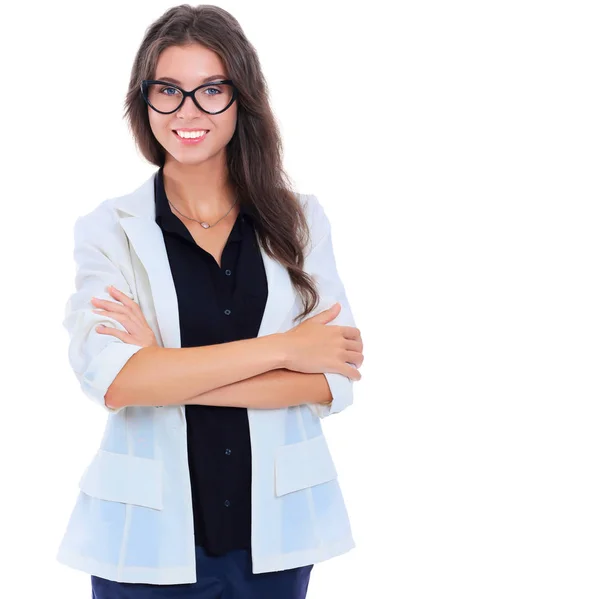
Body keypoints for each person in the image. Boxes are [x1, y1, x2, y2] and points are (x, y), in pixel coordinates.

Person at [56, 4, 363, 598]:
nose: (187, 111)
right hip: (145, 543)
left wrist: (166, 371)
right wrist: (284, 350)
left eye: (210, 90)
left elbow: (334, 379)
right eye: (168, 89)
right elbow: (116, 383)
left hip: (274, 537)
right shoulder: (108, 229)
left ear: (241, 98)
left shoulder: (300, 221)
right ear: (143, 100)